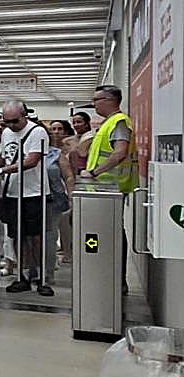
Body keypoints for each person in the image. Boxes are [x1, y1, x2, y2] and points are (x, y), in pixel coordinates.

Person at [0, 101, 52, 296]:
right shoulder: (7, 133)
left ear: (24, 115)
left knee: (35, 237)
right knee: (16, 236)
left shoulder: (37, 132)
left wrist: (0, 170)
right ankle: (22, 276)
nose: (10, 125)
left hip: (33, 193)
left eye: (14, 121)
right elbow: (8, 155)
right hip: (12, 192)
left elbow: (31, 161)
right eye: (6, 121)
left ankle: (42, 277)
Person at [83, 85, 137, 291]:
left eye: (96, 100)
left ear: (110, 100)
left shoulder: (119, 122)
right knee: (99, 234)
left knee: (107, 234)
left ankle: (116, 279)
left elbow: (119, 153)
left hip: (110, 189)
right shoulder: (108, 123)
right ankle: (105, 273)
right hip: (101, 191)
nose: (94, 104)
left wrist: (95, 172)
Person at [48, 120, 78, 265]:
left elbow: (71, 174)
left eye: (59, 129)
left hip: (62, 191)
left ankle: (68, 251)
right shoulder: (43, 150)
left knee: (65, 225)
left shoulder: (70, 148)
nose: (56, 132)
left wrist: (71, 194)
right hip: (49, 193)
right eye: (53, 129)